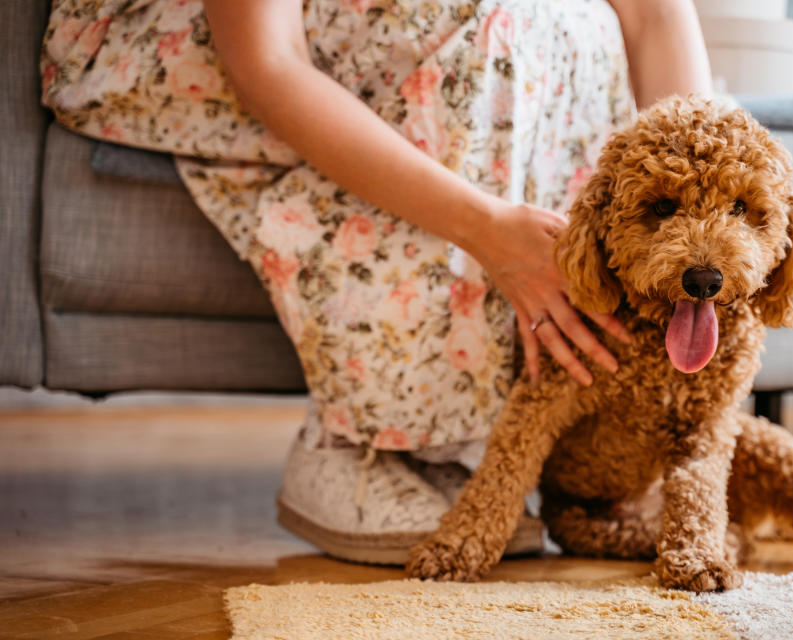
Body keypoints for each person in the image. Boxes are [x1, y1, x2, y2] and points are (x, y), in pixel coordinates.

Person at [40, 0, 712, 562]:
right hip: (212, 41)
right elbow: (266, 58)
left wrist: (693, 191)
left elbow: (655, 13)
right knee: (490, 17)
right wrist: (488, 231)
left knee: (576, 17)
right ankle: (366, 438)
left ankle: (477, 439)